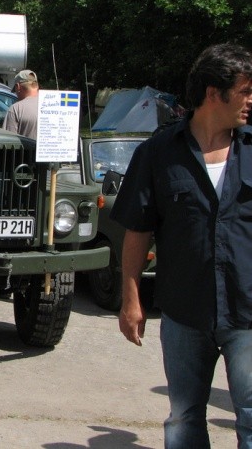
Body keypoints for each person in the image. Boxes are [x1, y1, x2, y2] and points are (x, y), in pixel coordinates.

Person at [111, 43, 252, 448]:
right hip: (184, 314)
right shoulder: (157, 154)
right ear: (214, 93)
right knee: (184, 419)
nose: (250, 101)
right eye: (244, 91)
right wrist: (131, 300)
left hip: (248, 313)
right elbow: (137, 231)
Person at [3, 69, 39, 138]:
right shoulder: (55, 105)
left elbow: (8, 140)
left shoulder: (16, 109)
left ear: (18, 87)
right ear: (36, 86)